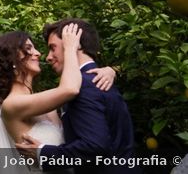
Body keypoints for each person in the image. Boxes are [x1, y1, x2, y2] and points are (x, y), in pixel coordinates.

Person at [0, 23, 117, 173]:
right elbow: (70, 88)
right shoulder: (12, 105)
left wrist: (111, 70)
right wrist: (70, 48)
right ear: (12, 60)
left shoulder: (48, 103)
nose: (38, 53)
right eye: (28, 49)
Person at [15, 18, 141, 173]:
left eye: (53, 48)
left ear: (74, 43)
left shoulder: (85, 85)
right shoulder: (98, 79)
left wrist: (44, 153)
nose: (47, 57)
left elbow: (94, 145)